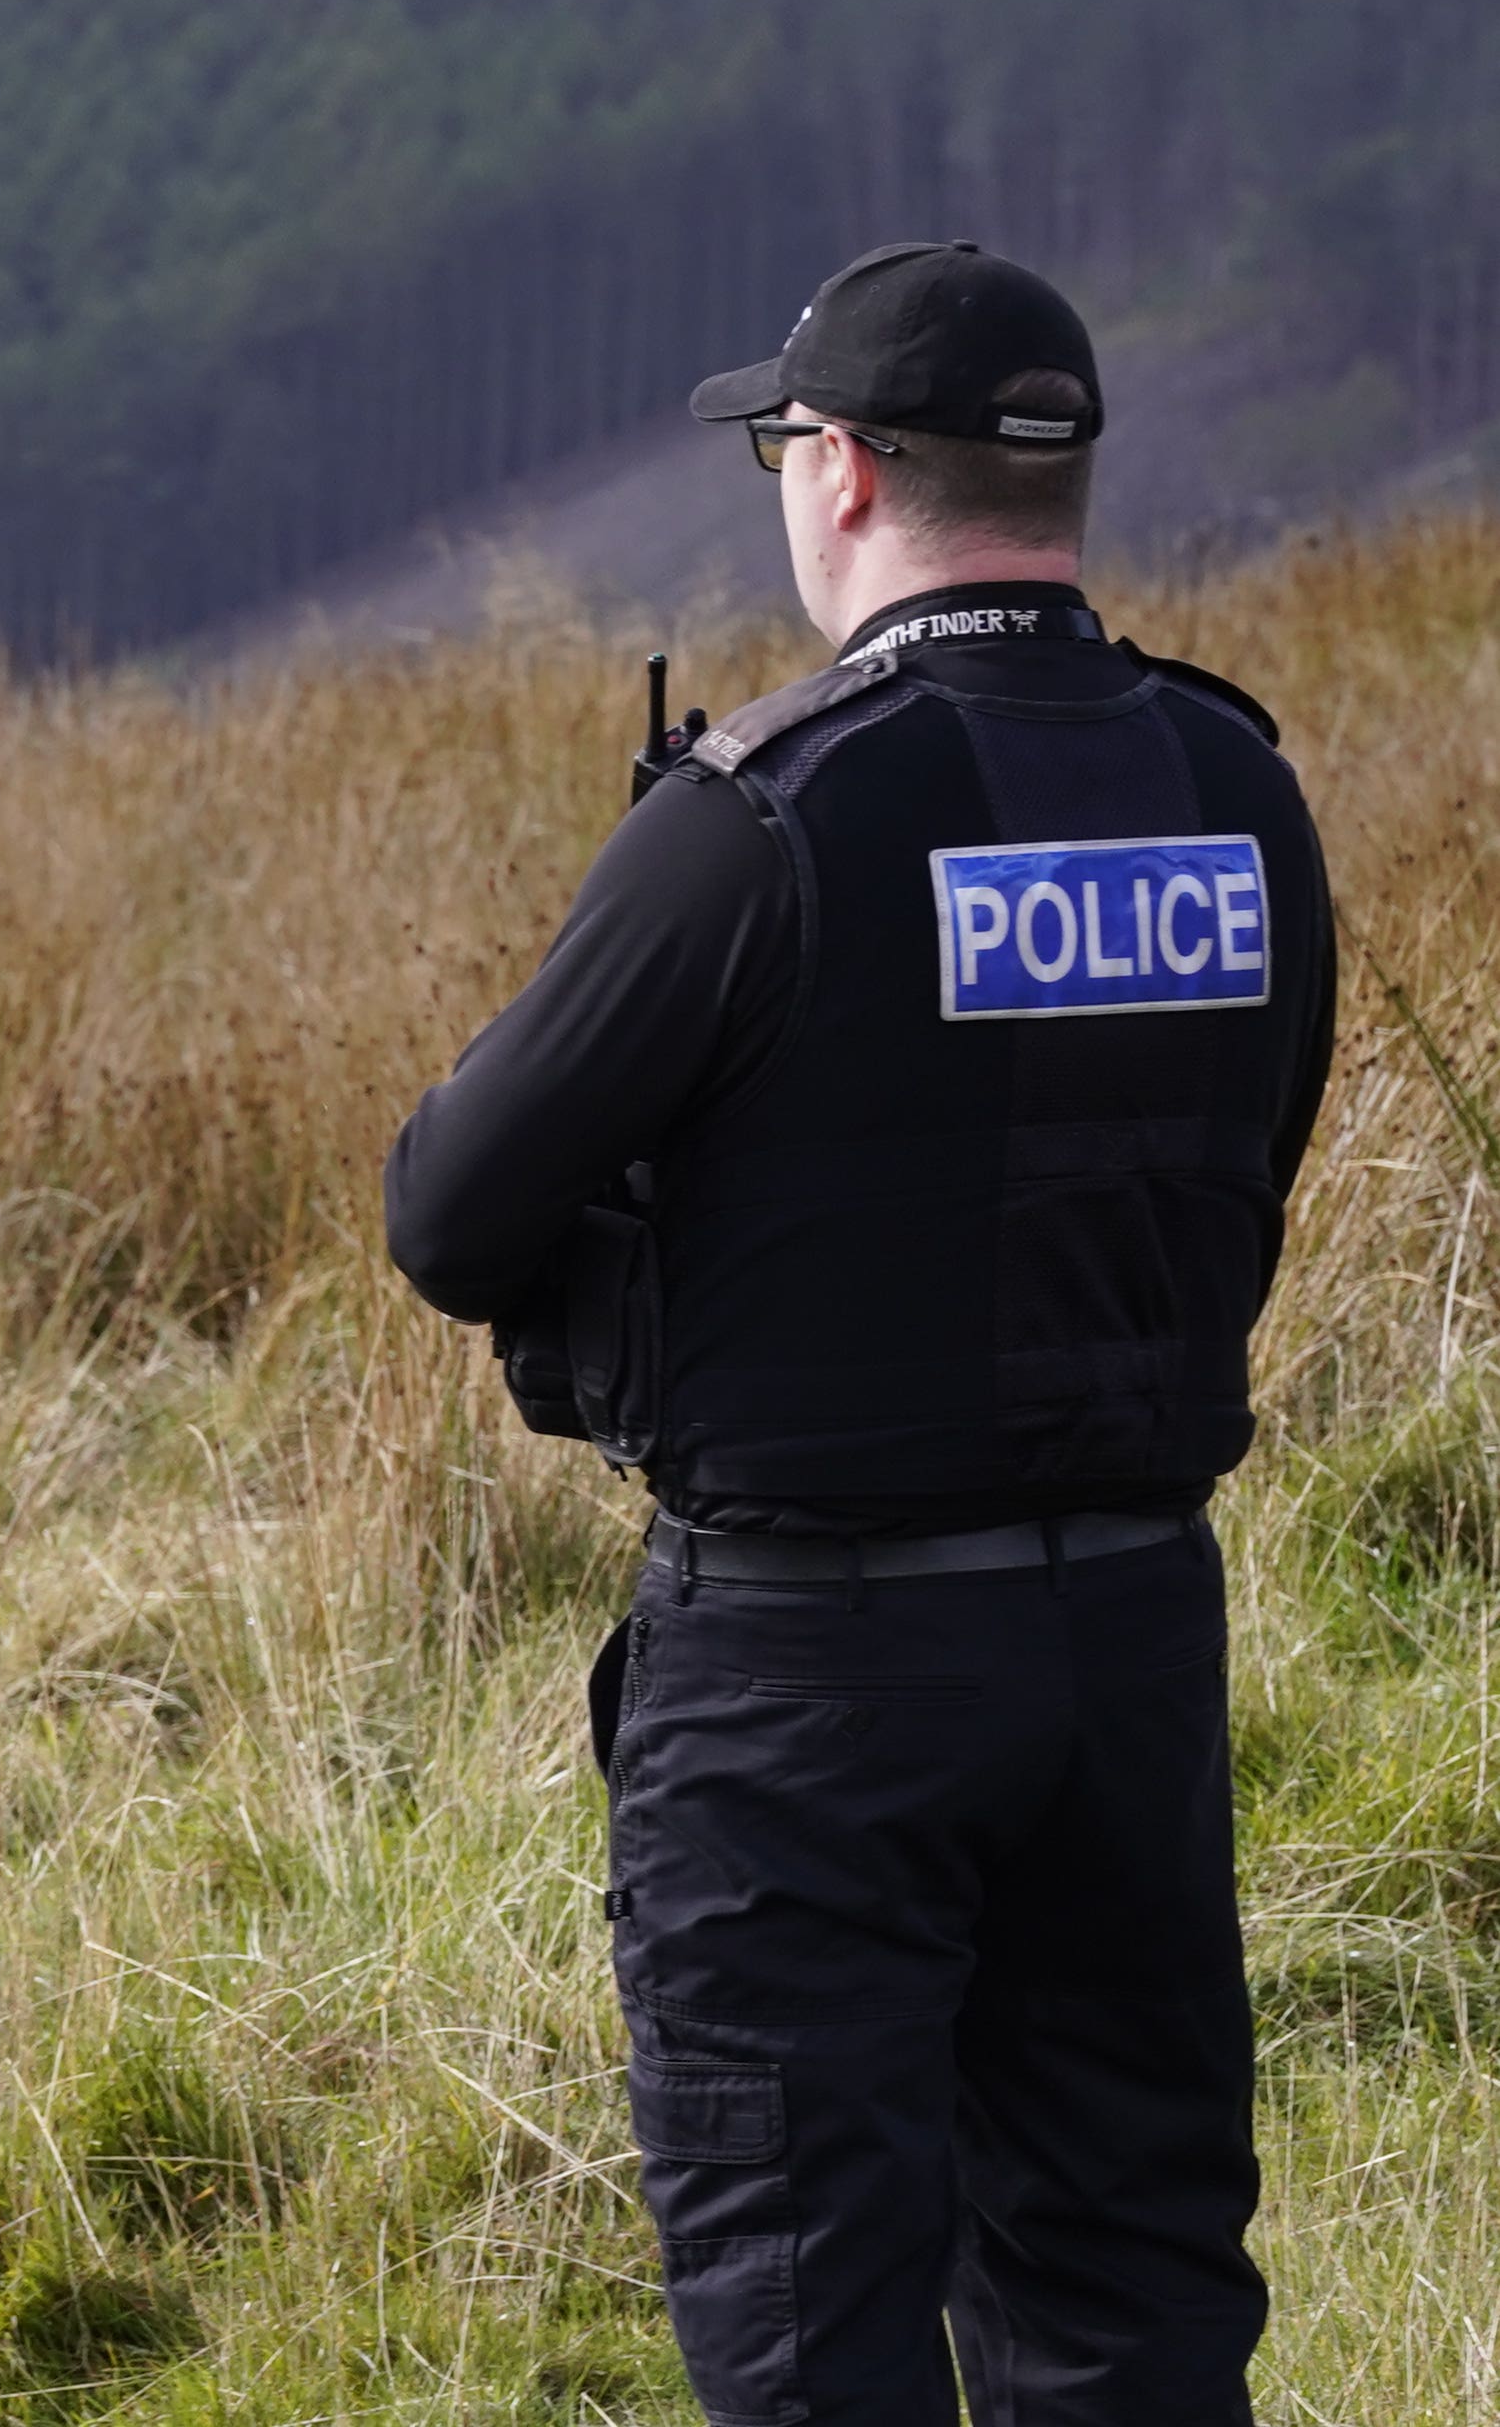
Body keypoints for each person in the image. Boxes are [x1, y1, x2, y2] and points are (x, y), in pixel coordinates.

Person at [384, 243, 1336, 2425]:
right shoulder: (1240, 793)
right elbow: (1251, 1166)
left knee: (813, 2299)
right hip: (1126, 1637)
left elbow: (446, 1208)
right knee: (1135, 2273)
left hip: (811, 1670)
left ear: (834, 474)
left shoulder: (762, 820)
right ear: (1067, 474)